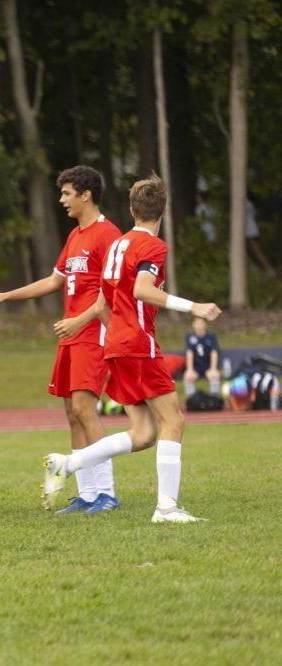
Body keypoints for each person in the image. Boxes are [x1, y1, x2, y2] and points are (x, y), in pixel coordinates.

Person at [41, 174, 221, 523]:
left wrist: (116, 335)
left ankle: (69, 463)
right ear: (163, 212)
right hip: (137, 344)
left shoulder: (117, 245)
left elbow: (104, 300)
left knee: (144, 435)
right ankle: (166, 508)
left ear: (131, 209)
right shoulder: (154, 246)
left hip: (115, 345)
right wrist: (193, 307)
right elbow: (142, 289)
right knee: (173, 420)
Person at [0, 166, 123, 514]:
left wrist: (79, 321)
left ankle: (106, 493)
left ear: (86, 194)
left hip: (93, 334)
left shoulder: (108, 235)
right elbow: (54, 281)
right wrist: (6, 295)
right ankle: (87, 494)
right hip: (71, 335)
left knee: (85, 409)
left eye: (67, 193)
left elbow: (113, 293)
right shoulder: (75, 236)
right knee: (72, 412)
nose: (62, 199)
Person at [183, 317, 221, 398]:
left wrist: (213, 368)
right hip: (196, 368)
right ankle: (191, 400)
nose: (199, 326)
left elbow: (214, 352)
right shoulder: (190, 336)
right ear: (193, 325)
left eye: (201, 323)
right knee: (188, 376)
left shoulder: (211, 336)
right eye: (197, 323)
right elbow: (189, 353)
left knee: (214, 375)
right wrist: (190, 369)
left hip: (208, 367)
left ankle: (215, 399)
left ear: (205, 324)